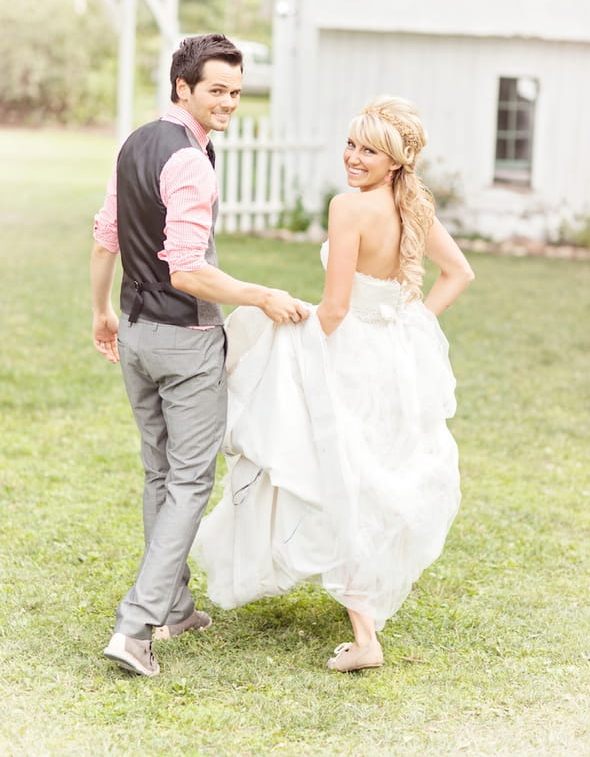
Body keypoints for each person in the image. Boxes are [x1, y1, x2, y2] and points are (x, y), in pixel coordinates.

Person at [191, 95, 475, 672]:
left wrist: (298, 353)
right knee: (370, 470)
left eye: (369, 149)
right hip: (395, 357)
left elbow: (337, 307)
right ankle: (363, 609)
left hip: (350, 353)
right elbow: (459, 273)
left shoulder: (348, 209)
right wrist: (411, 325)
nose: (353, 157)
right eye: (351, 144)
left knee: (337, 469)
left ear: (395, 160)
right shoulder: (412, 205)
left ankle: (366, 636)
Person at [91, 33, 308, 678]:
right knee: (188, 480)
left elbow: (107, 232)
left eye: (237, 93)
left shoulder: (135, 142)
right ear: (182, 86)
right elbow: (187, 271)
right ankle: (136, 628)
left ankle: (177, 606)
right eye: (217, 90)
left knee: (161, 473)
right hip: (183, 343)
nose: (229, 103)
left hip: (134, 333)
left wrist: (100, 310)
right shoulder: (189, 161)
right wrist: (260, 294)